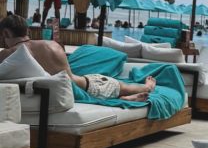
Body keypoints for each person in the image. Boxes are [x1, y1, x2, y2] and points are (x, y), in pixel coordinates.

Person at [0, 15, 155, 101]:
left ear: (6, 33)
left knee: (123, 88)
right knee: (123, 86)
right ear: (27, 30)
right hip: (85, 86)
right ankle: (139, 90)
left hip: (59, 92)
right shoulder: (51, 45)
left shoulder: (5, 56)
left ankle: (134, 94)